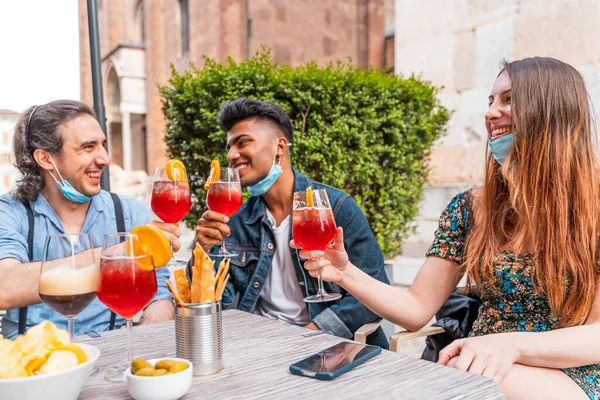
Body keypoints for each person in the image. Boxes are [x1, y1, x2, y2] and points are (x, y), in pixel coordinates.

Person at [296, 57, 600, 399]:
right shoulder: (471, 209)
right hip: (479, 367)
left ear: (552, 111)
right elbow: (416, 309)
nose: (490, 113)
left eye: (509, 99)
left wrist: (508, 347)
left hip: (571, 371)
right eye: (490, 101)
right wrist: (344, 272)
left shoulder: (595, 209)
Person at [194, 97, 390, 348]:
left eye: (242, 142)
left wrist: (311, 333)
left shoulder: (335, 208)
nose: (232, 155)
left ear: (280, 146)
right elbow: (218, 302)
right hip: (259, 344)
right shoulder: (236, 221)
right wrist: (200, 254)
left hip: (329, 345)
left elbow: (376, 291)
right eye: (228, 147)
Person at [0, 100, 180, 339]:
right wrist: (121, 253)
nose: (104, 158)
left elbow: (159, 298)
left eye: (102, 145)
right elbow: (5, 286)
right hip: (35, 366)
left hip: (111, 361)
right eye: (88, 147)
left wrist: (141, 343)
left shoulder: (130, 212)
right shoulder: (11, 212)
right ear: (45, 158)